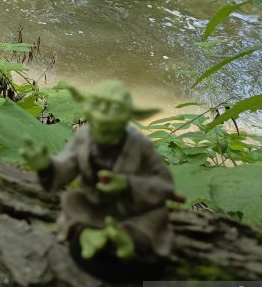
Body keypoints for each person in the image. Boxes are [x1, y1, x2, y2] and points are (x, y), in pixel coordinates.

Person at [23, 80, 178, 263]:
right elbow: (67, 164)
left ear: (128, 115)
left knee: (157, 214)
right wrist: (46, 166)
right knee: (71, 200)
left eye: (113, 110)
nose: (103, 119)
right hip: (92, 204)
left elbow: (164, 184)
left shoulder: (140, 145)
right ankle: (91, 235)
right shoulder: (84, 136)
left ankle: (125, 239)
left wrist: (127, 184)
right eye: (97, 107)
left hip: (130, 209)